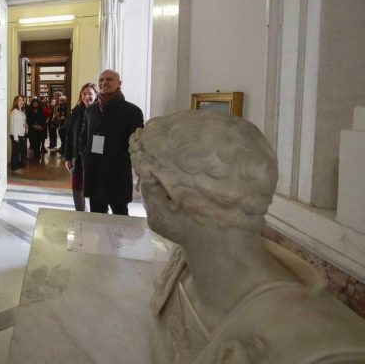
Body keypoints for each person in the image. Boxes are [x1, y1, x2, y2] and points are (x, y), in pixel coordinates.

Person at [129, 110, 365, 363]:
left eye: (141, 179)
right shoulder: (182, 270)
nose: (137, 189)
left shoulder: (319, 353)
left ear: (168, 195)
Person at [78, 69, 143, 215]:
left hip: (117, 174)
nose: (104, 82)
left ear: (119, 83)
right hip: (94, 172)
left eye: (109, 79)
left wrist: (119, 160)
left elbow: (136, 143)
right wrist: (86, 155)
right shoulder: (91, 110)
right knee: (97, 217)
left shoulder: (132, 111)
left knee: (120, 218)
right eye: (101, 80)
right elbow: (83, 137)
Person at [63, 83, 97, 211]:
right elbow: (70, 136)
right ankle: (80, 211)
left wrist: (96, 155)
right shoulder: (76, 112)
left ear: (96, 96)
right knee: (77, 187)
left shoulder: (100, 111)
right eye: (84, 93)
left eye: (90, 94)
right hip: (77, 156)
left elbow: (100, 136)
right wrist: (67, 157)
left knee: (94, 188)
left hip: (94, 158)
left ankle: (94, 214)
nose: (86, 96)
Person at [9, 95, 28, 173]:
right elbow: (13, 125)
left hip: (21, 134)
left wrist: (26, 127)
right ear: (16, 102)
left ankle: (20, 164)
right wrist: (16, 138)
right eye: (19, 100)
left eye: (22, 100)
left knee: (22, 150)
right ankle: (14, 166)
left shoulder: (21, 111)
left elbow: (22, 122)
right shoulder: (14, 112)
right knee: (15, 151)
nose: (21, 102)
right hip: (15, 134)